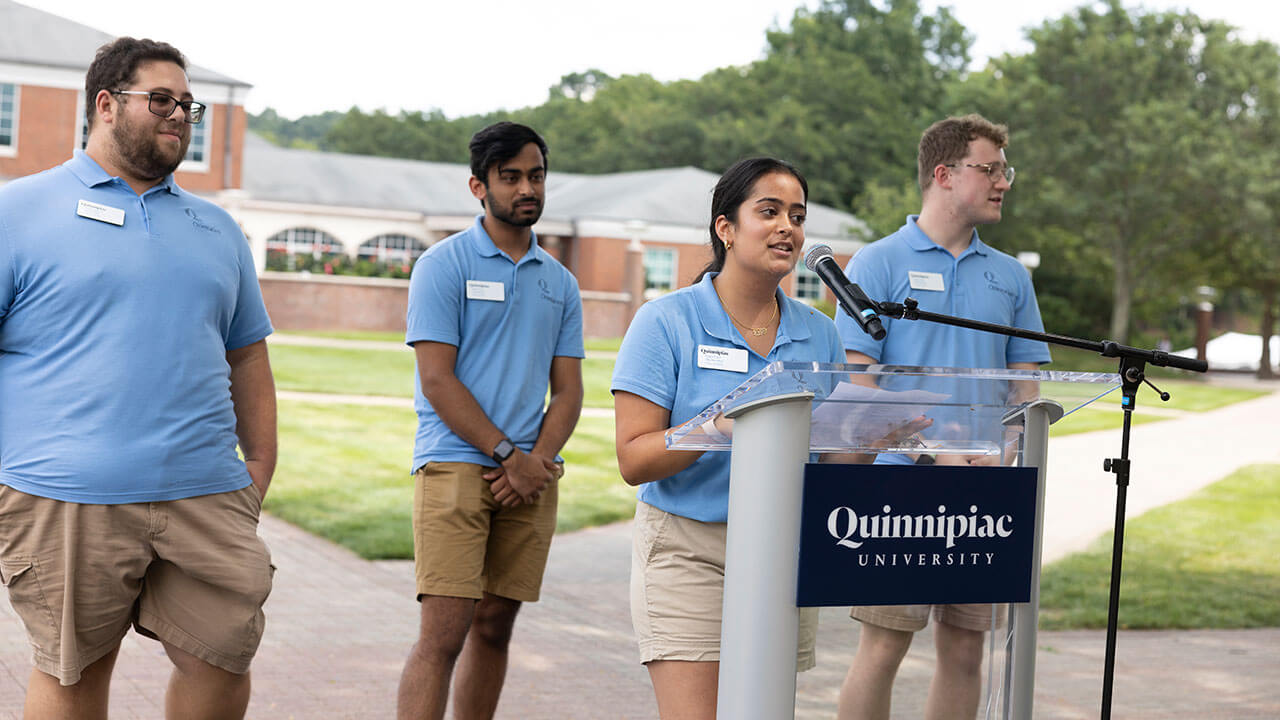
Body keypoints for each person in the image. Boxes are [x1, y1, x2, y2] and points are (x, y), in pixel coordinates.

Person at [0, 38, 277, 720]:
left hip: (207, 495)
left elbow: (247, 355)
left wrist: (260, 468)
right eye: (162, 100)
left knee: (223, 657)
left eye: (189, 104)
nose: (180, 115)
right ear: (105, 104)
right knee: (74, 677)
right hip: (65, 496)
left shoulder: (217, 228)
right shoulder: (18, 211)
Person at [610, 157, 846, 719]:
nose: (787, 226)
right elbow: (634, 457)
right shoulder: (665, 321)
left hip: (782, 550)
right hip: (688, 549)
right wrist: (724, 428)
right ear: (726, 227)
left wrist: (885, 435)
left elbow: (832, 459)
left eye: (797, 214)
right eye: (768, 211)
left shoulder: (820, 332)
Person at [834, 114, 1052, 720]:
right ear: (944, 174)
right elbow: (858, 387)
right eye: (991, 168)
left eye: (1005, 170)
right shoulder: (876, 263)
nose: (1004, 181)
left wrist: (1001, 454)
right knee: (882, 648)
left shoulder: (1010, 276)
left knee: (965, 652)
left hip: (985, 492)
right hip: (899, 485)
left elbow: (1025, 388)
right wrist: (930, 451)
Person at [396, 121, 584, 720]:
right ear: (479, 186)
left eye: (536, 175)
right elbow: (437, 380)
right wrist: (510, 456)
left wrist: (536, 463)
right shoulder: (442, 265)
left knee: (496, 628)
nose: (527, 188)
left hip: (529, 478)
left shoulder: (561, 282)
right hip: (455, 466)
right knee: (443, 635)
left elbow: (570, 390)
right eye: (511, 177)